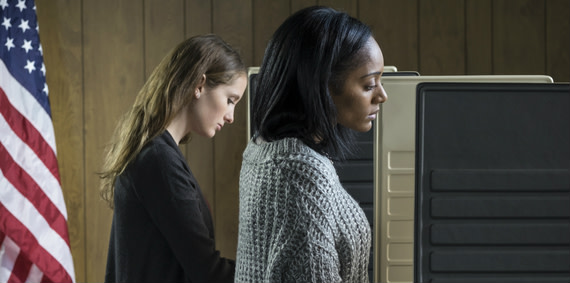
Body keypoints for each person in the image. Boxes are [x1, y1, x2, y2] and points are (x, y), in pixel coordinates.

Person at [235, 6, 388, 283]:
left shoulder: (262, 148)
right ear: (322, 85)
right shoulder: (299, 173)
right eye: (369, 85)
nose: (382, 95)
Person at [99, 34, 247, 283]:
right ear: (199, 85)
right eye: (230, 100)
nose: (231, 116)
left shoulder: (157, 153)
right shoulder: (158, 160)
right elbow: (207, 272)